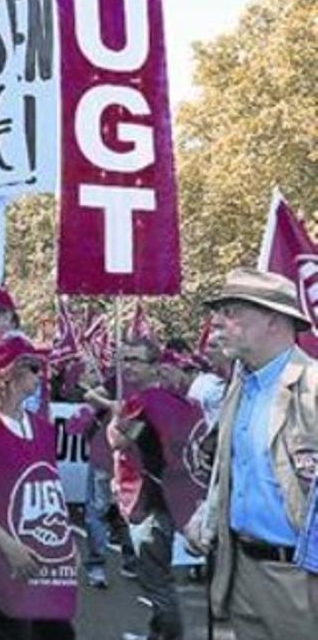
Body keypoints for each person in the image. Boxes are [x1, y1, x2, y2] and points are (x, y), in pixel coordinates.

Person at [186, 267, 318, 639]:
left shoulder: (312, 387)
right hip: (241, 569)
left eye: (232, 312)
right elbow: (233, 470)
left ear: (274, 320)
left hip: (300, 580)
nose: (217, 322)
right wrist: (207, 516)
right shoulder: (240, 386)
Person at [0, 333, 77, 640]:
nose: (40, 375)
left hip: (39, 561)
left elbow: (50, 492)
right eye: (32, 368)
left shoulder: (44, 431)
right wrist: (8, 546)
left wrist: (66, 544)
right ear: (9, 373)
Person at [103, 337, 196, 640]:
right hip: (168, 497)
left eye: (135, 360)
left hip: (149, 500)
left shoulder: (145, 403)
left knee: (156, 580)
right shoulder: (170, 401)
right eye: (124, 359)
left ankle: (167, 635)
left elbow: (119, 440)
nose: (127, 366)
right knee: (159, 576)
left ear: (154, 366)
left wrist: (115, 418)